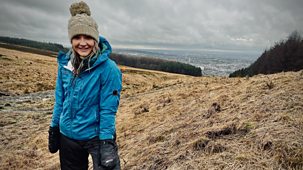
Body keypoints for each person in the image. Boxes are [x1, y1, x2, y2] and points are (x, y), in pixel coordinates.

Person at [48, 1, 122, 170]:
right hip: (67, 135)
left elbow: (108, 109)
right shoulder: (65, 64)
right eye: (77, 37)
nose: (83, 43)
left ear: (95, 39)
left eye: (88, 37)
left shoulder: (109, 69)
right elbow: (60, 99)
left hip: (96, 137)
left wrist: (106, 141)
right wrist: (54, 127)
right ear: (71, 40)